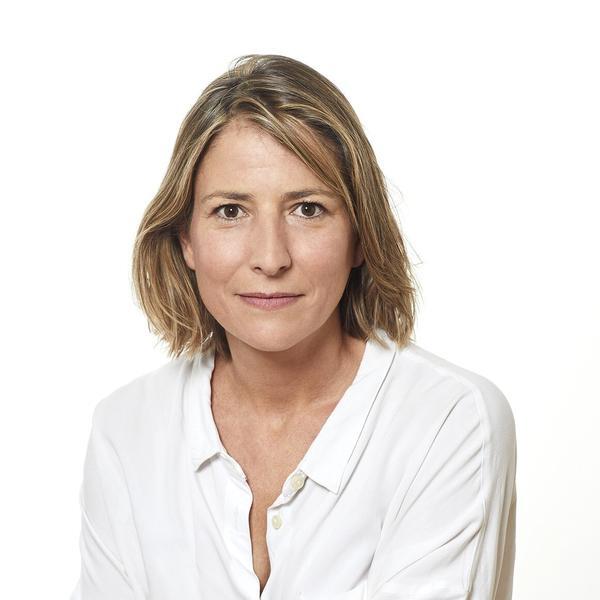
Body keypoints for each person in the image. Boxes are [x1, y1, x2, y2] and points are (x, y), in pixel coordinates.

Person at [70, 54, 517, 600]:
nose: (270, 257)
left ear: (360, 236)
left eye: (307, 209)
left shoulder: (446, 420)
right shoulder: (125, 430)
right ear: (186, 238)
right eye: (231, 211)